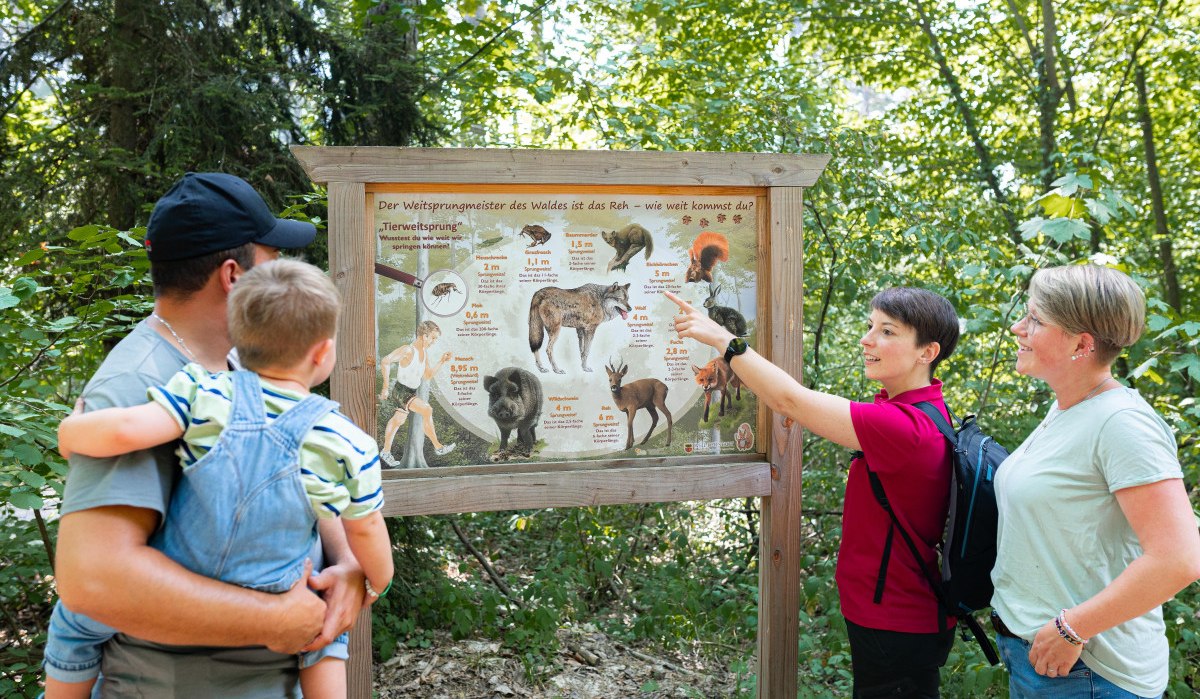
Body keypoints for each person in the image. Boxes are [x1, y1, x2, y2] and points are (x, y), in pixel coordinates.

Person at [51, 173, 367, 698]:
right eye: (273, 258)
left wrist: (350, 560)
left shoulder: (245, 364)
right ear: (232, 275)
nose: (287, 271)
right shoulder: (138, 382)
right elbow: (93, 581)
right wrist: (272, 619)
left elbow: (306, 463)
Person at [667, 287, 961, 698]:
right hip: (901, 615)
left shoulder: (905, 427)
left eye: (888, 332)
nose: (868, 339)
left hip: (897, 620)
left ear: (927, 352)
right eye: (870, 326)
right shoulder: (923, 412)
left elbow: (790, 400)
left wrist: (723, 341)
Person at [990, 264, 1200, 698]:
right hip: (1044, 664)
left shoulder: (1122, 423)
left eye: (1035, 320)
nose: (1017, 327)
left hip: (1090, 675)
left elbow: (1179, 558)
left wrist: (1070, 629)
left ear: (1081, 344)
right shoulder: (1069, 407)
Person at [377, 320, 456, 465]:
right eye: (433, 338)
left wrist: (442, 361)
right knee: (427, 409)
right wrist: (385, 387)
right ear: (424, 336)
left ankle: (385, 451)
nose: (434, 342)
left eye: (436, 339)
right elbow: (385, 361)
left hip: (410, 392)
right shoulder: (408, 350)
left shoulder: (424, 354)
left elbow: (427, 375)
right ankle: (438, 447)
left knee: (397, 421)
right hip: (402, 391)